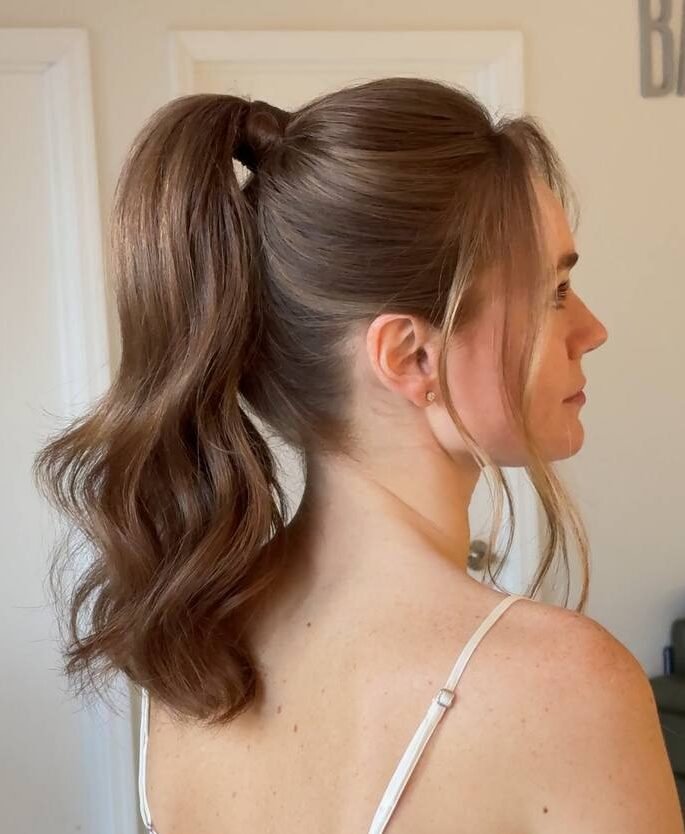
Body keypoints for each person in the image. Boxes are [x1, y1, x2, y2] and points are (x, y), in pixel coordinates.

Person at [32, 77, 683, 833]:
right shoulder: (563, 688)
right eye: (555, 292)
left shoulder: (191, 648)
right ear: (411, 356)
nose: (592, 330)